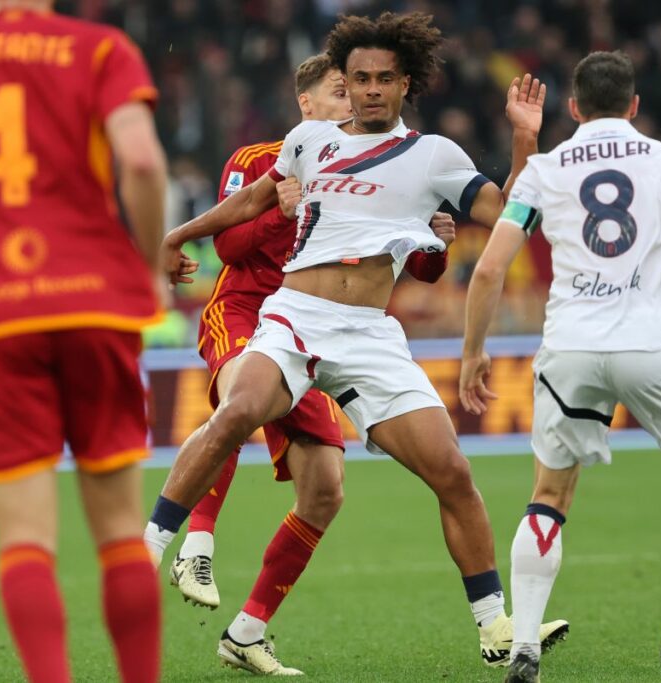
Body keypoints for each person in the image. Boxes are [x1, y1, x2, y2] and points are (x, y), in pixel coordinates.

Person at [144, 11, 567, 669]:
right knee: (238, 409)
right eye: (359, 78)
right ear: (346, 79)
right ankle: (148, 549)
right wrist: (178, 235)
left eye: (384, 79)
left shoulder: (434, 155)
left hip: (370, 335)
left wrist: (522, 139)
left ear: (405, 84)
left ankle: (495, 627)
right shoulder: (309, 140)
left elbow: (511, 215)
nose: (370, 89)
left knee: (452, 472)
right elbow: (251, 203)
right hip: (296, 314)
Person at [459, 50, 661, 683]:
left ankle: (524, 649)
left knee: (548, 496)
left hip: (571, 348)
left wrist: (473, 351)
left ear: (573, 108)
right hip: (655, 346)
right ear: (634, 105)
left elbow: (489, 269)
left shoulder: (544, 169)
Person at [167, 53, 457, 675]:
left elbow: (420, 265)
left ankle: (247, 632)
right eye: (340, 91)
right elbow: (229, 247)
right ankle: (196, 543)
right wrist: (279, 207)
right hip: (246, 310)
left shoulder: (385, 163)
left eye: (357, 90)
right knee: (241, 403)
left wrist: (437, 240)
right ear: (307, 103)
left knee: (325, 488)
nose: (354, 101)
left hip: (316, 330)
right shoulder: (258, 160)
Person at [0, 2, 173, 682]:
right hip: (94, 302)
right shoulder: (100, 49)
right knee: (119, 532)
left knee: (25, 540)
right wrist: (148, 266)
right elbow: (141, 161)